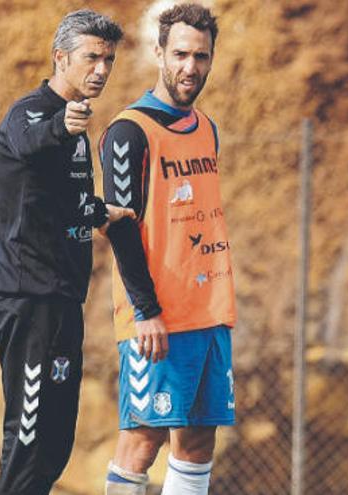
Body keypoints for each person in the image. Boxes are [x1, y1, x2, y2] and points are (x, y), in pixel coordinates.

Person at [0, 10, 132, 494]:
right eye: (91, 58)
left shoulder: (77, 131)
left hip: (63, 297)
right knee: (28, 435)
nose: (101, 70)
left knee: (55, 439)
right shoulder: (33, 112)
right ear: (61, 58)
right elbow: (26, 142)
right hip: (26, 297)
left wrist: (103, 212)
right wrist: (62, 125)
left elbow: (66, 200)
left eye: (108, 60)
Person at [98, 4, 236, 494]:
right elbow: (120, 228)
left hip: (209, 311)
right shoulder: (128, 131)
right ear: (158, 52)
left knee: (198, 440)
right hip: (156, 317)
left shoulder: (207, 128)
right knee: (142, 438)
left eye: (201, 56)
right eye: (179, 54)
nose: (190, 68)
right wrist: (146, 310)